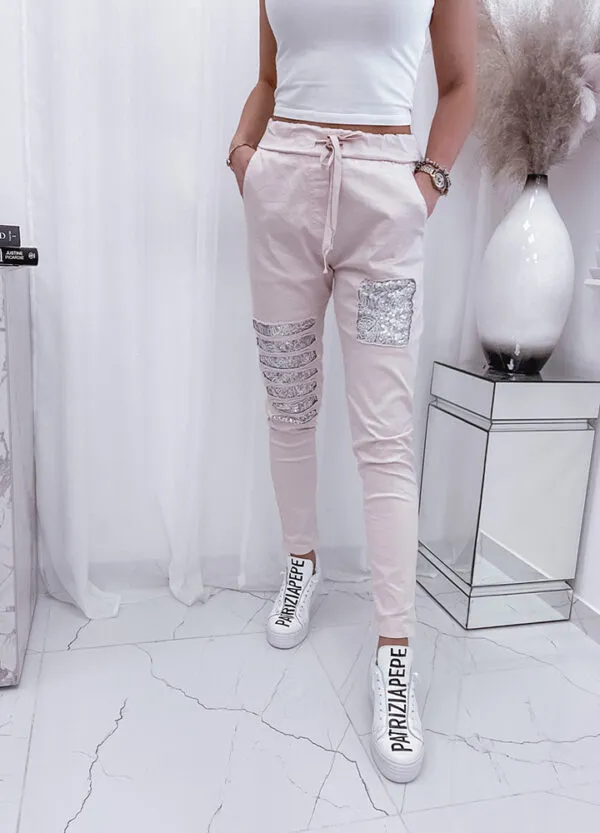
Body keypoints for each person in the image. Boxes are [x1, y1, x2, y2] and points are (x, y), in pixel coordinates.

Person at [227, 0, 476, 783]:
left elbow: (462, 83)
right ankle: (301, 563)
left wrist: (426, 185)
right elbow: (270, 77)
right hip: (283, 190)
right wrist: (242, 156)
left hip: (383, 202)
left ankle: (394, 652)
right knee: (290, 401)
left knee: (385, 437)